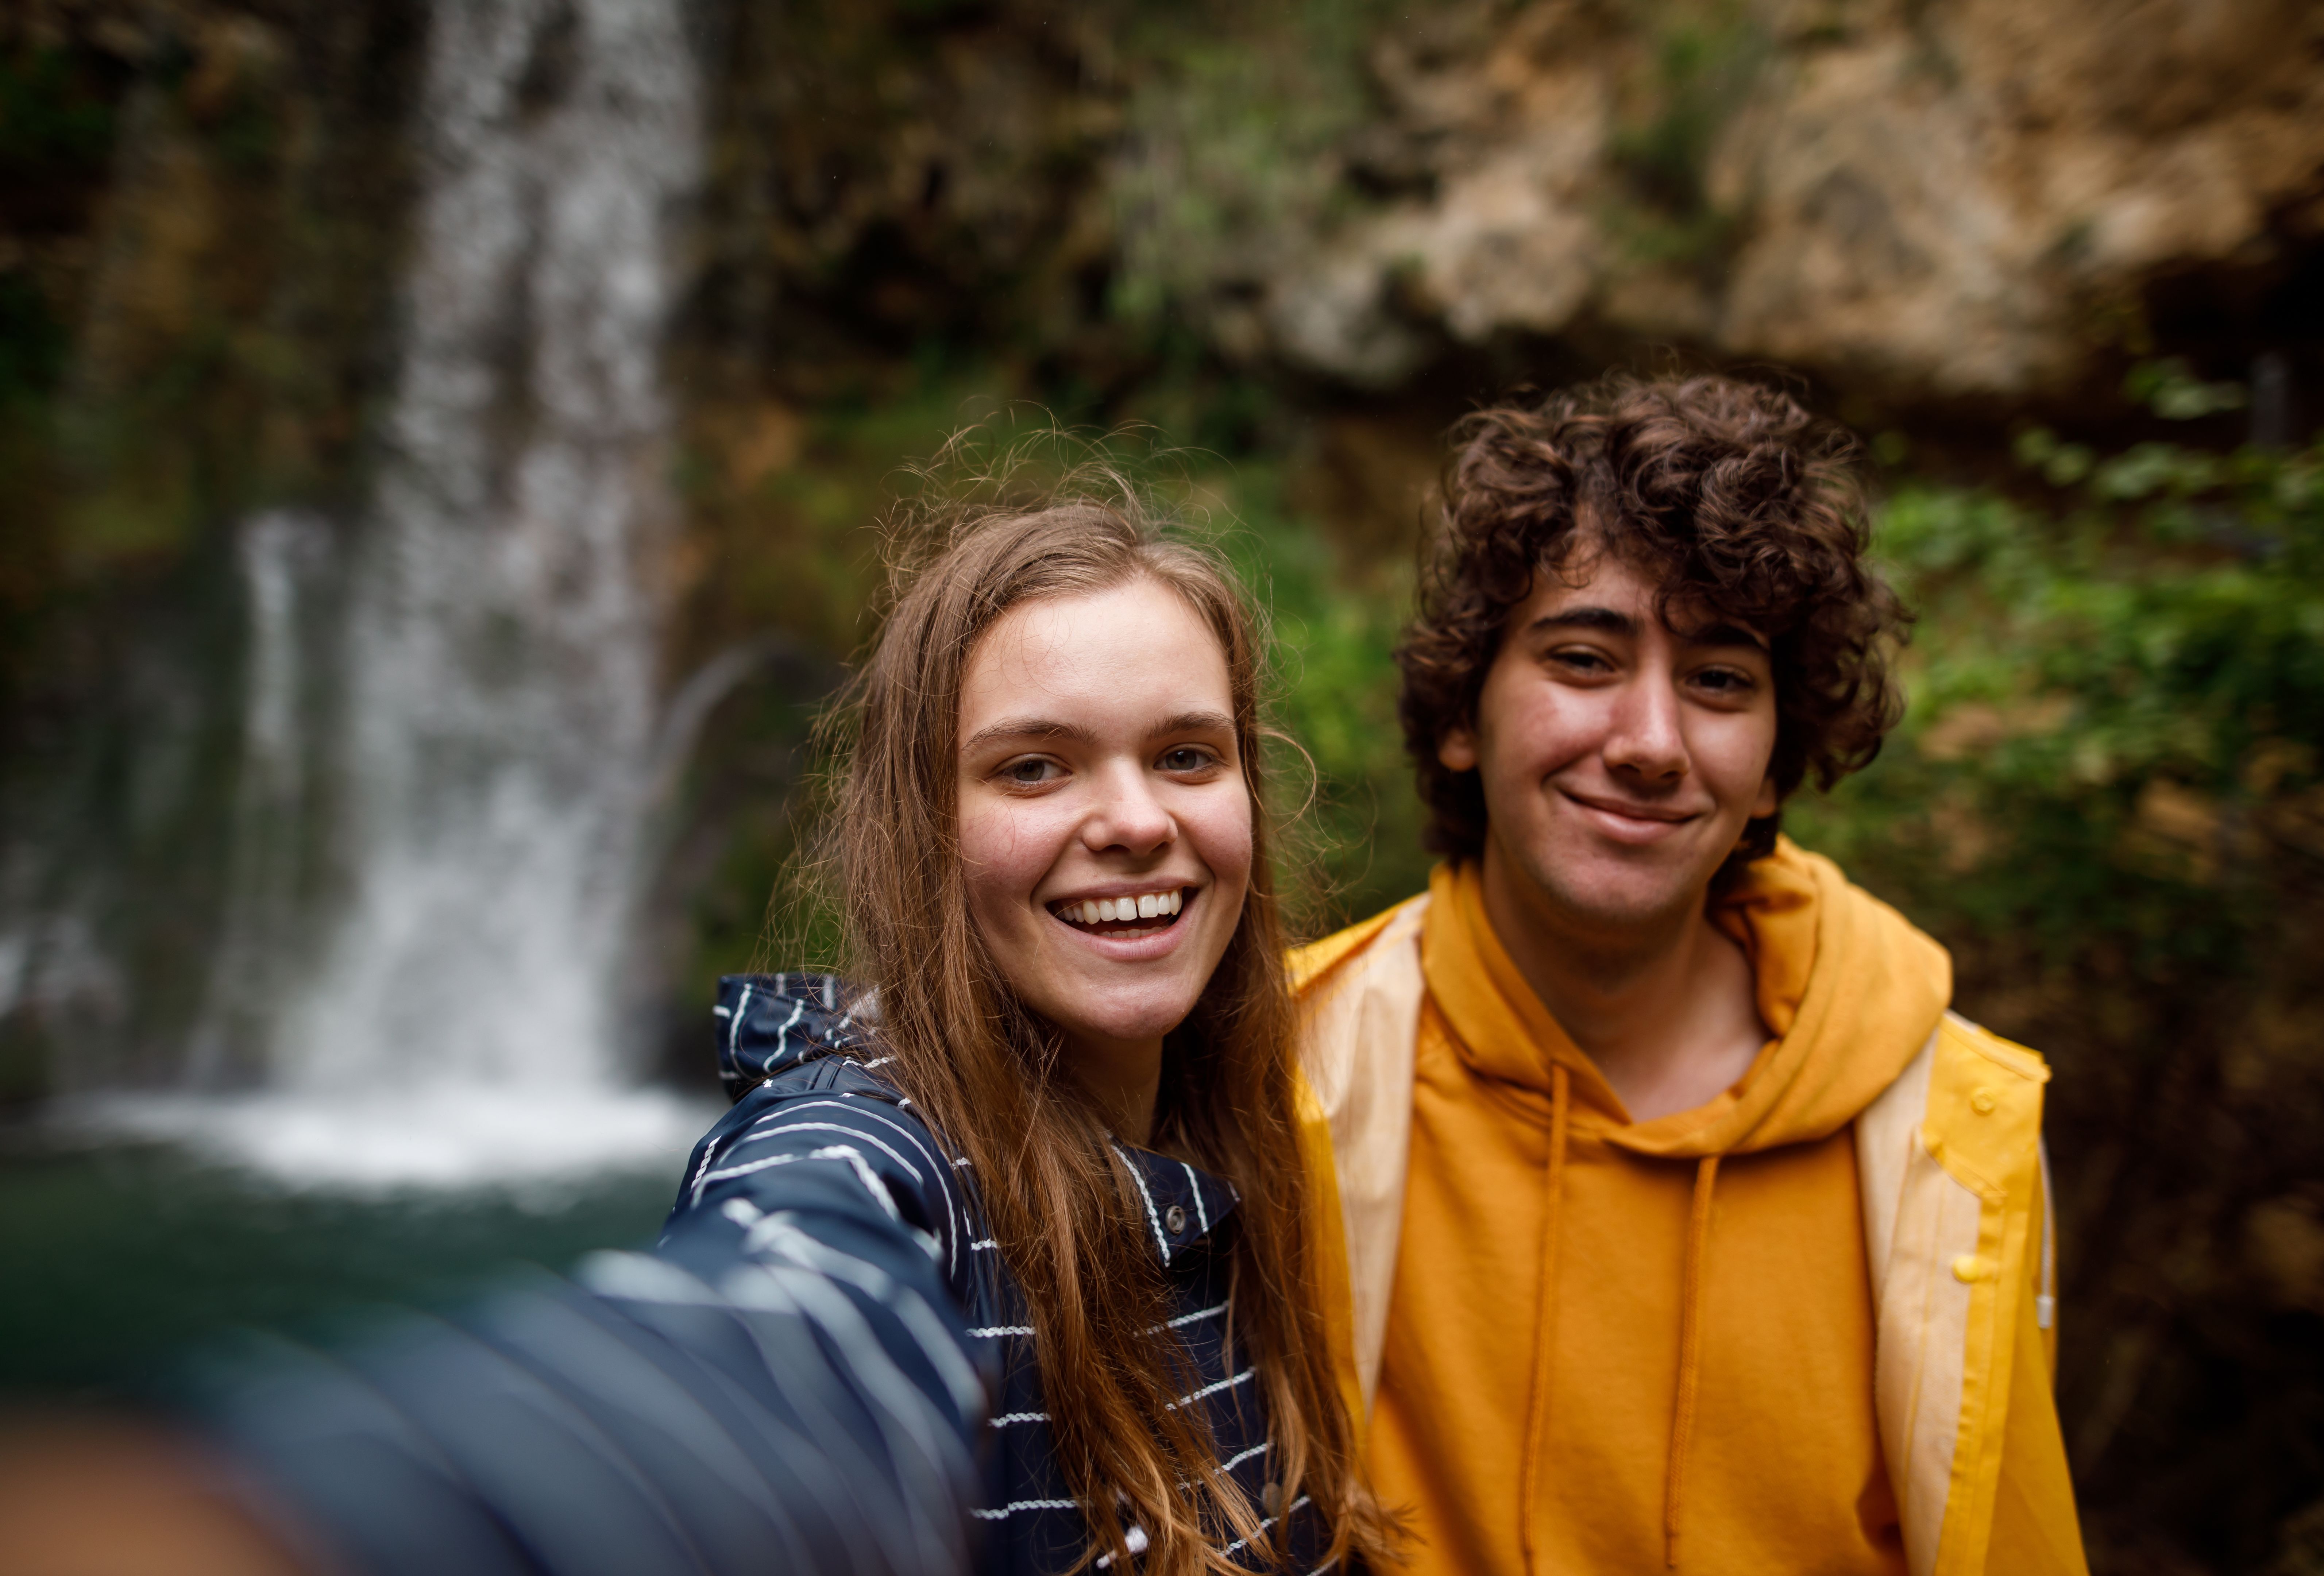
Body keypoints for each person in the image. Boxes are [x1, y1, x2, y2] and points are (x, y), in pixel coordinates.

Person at [0, 492, 1388, 1576]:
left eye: (1187, 755)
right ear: (922, 831)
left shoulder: (1260, 1145)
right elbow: (779, 1346)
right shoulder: (867, 1157)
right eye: (1036, 765)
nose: (1137, 818)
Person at [1289, 375, 2086, 1575]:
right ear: (1465, 713)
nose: (1652, 743)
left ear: (1773, 766)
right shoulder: (1282, 1068)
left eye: (1719, 679)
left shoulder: (1952, 1134)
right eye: (1583, 657)